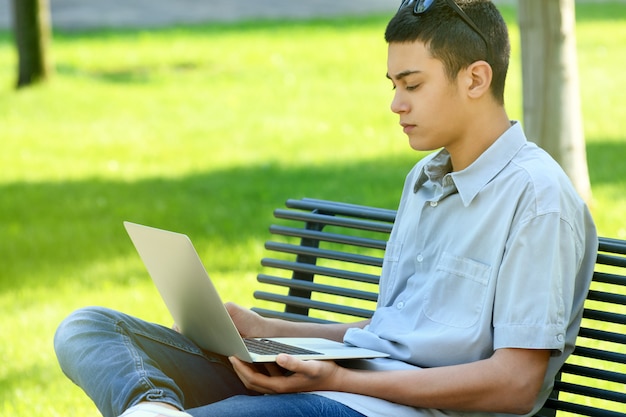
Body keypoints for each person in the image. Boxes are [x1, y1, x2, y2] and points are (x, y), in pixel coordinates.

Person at [54, 1, 598, 416]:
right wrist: (264, 327)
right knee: (89, 328)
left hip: (386, 406)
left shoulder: (538, 200)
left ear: (476, 79)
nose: (395, 104)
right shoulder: (428, 179)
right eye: (393, 85)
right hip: (346, 385)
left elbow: (515, 383)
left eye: (412, 84)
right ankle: (152, 408)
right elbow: (394, 331)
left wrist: (334, 380)